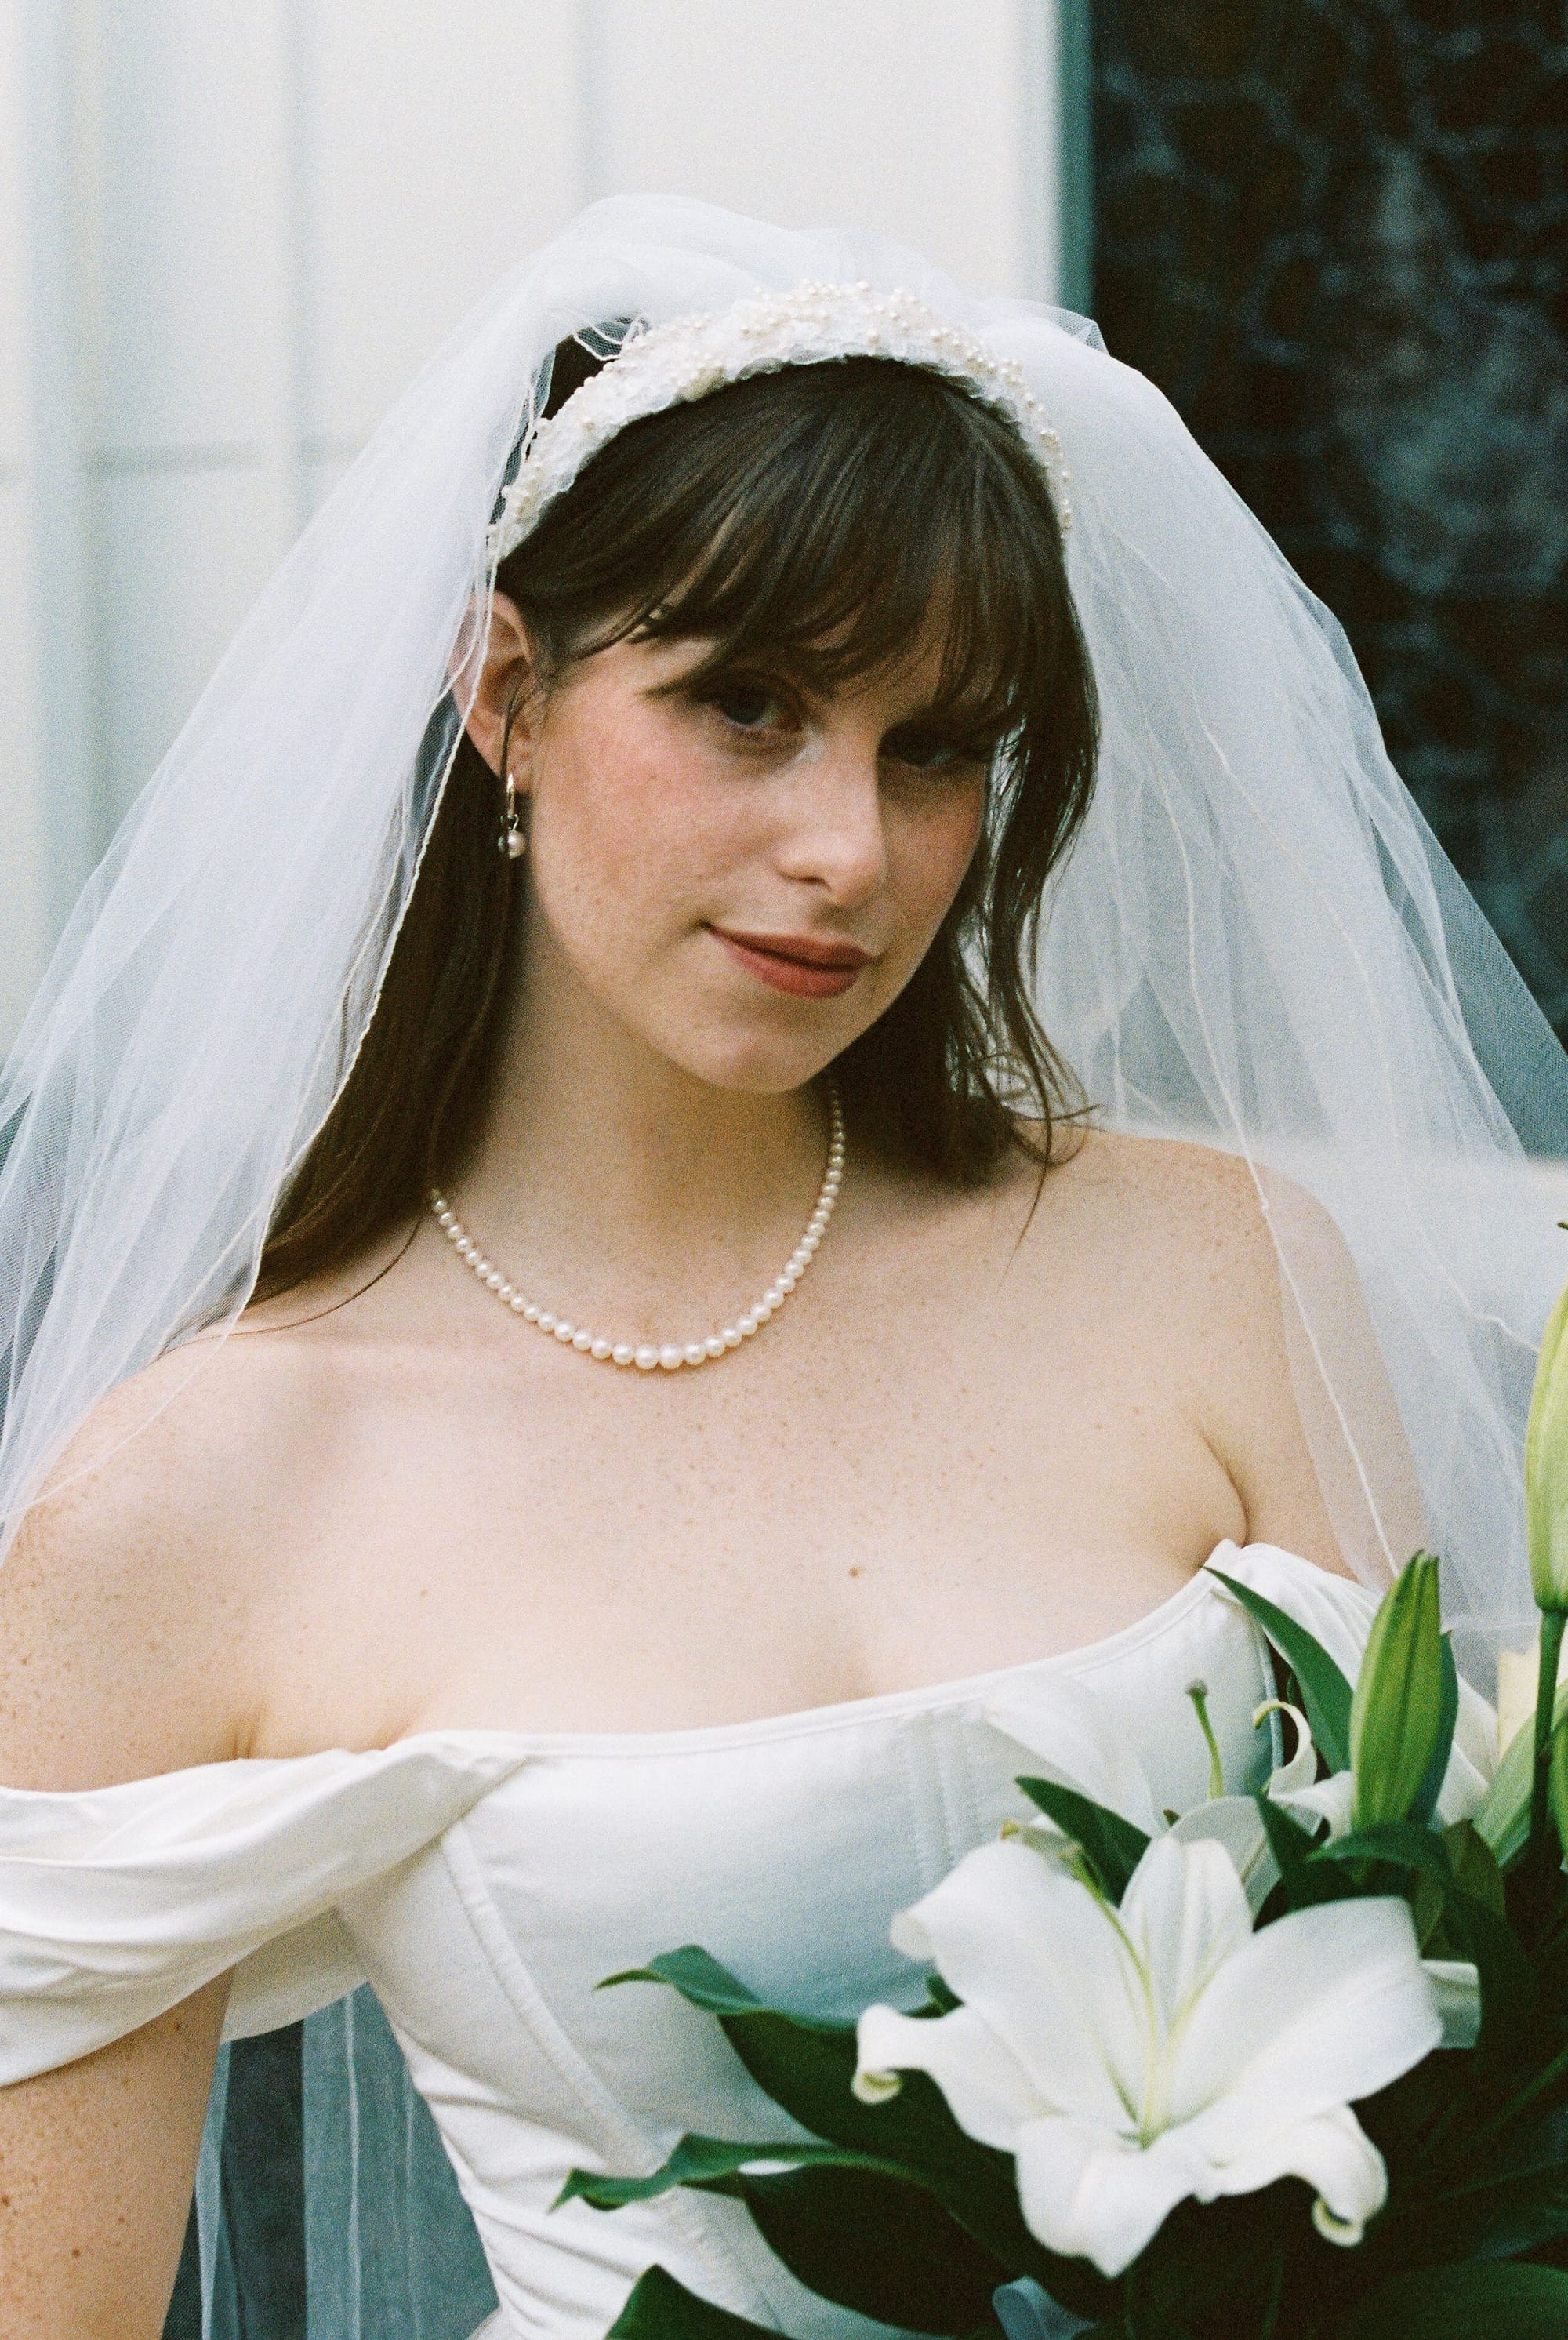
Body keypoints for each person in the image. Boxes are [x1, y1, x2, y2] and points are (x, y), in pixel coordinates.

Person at [0, 198, 1563, 2340]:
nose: (852, 851)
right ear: (508, 695)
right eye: (747, 705)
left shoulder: (1212, 1274)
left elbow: (1454, 2051)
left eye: (936, 749)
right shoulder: (198, 1496)